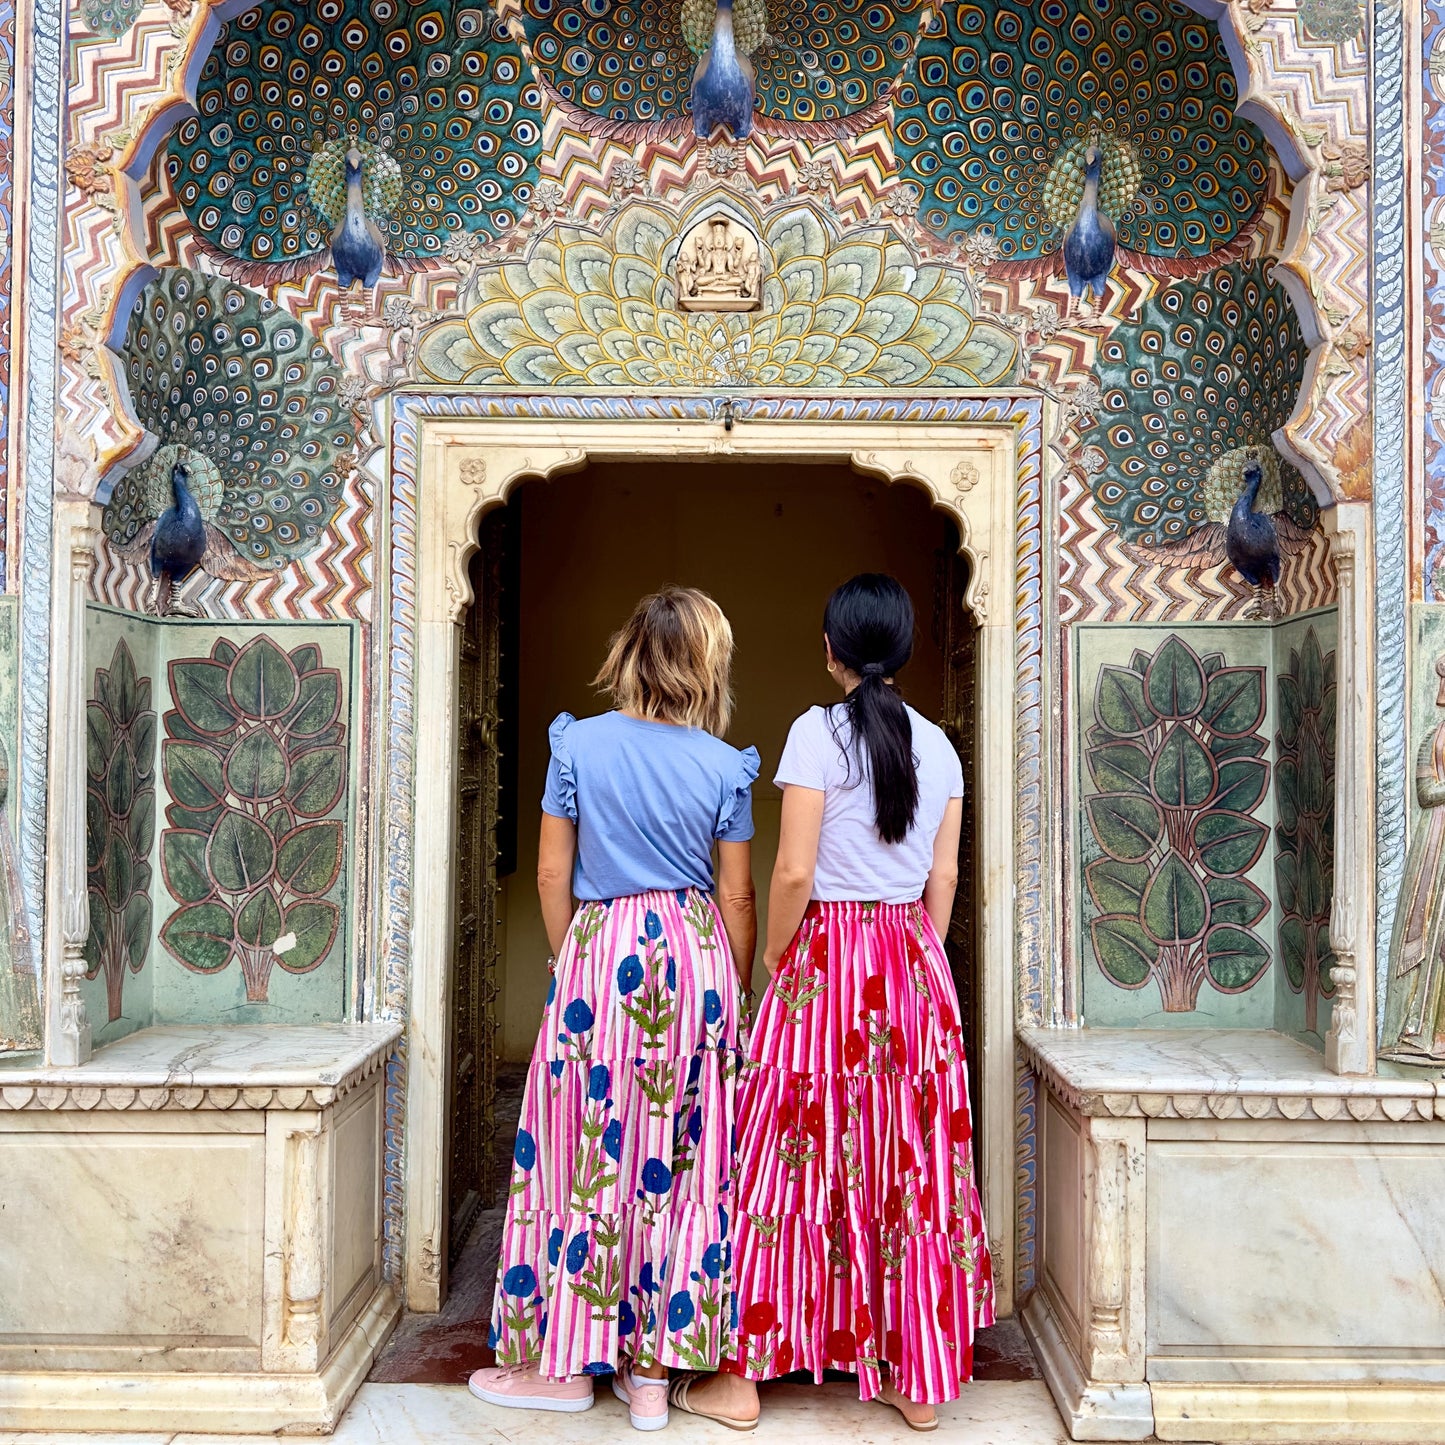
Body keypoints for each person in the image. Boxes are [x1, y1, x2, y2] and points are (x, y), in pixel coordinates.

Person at [674, 573, 993, 1433]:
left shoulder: (815, 733)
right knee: (905, 1161)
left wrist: (776, 953)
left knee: (787, 1150)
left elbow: (791, 869)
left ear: (829, 649)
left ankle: (741, 1379)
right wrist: (919, 959)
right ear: (905, 651)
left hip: (825, 956)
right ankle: (914, 1378)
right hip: (910, 958)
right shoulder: (940, 746)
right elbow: (946, 875)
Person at [469, 586, 759, 1432]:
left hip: (603, 955)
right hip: (694, 954)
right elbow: (738, 896)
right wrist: (728, 992)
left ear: (628, 653)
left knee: (585, 1156)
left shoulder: (578, 745)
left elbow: (553, 874)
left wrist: (572, 961)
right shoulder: (724, 763)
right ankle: (651, 1377)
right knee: (683, 1163)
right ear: (706, 664)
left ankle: (563, 1363)